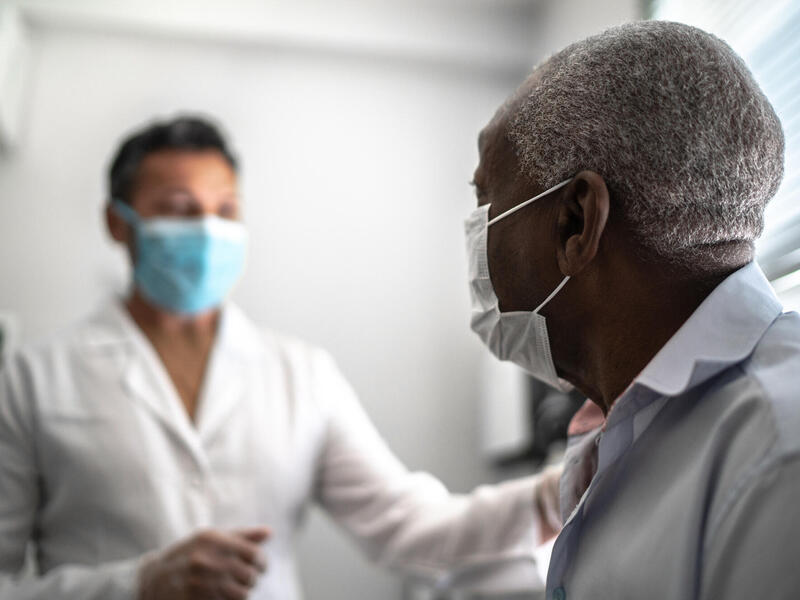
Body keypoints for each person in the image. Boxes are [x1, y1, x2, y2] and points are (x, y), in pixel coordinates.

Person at [0, 116, 562, 600]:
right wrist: (135, 585)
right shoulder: (32, 380)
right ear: (118, 223)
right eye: (179, 209)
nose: (207, 230)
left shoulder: (299, 375)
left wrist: (551, 494)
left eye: (224, 210)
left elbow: (408, 528)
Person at [465, 19, 798, 600]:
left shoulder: (776, 459)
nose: (475, 234)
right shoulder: (630, 422)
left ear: (575, 222)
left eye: (485, 202)